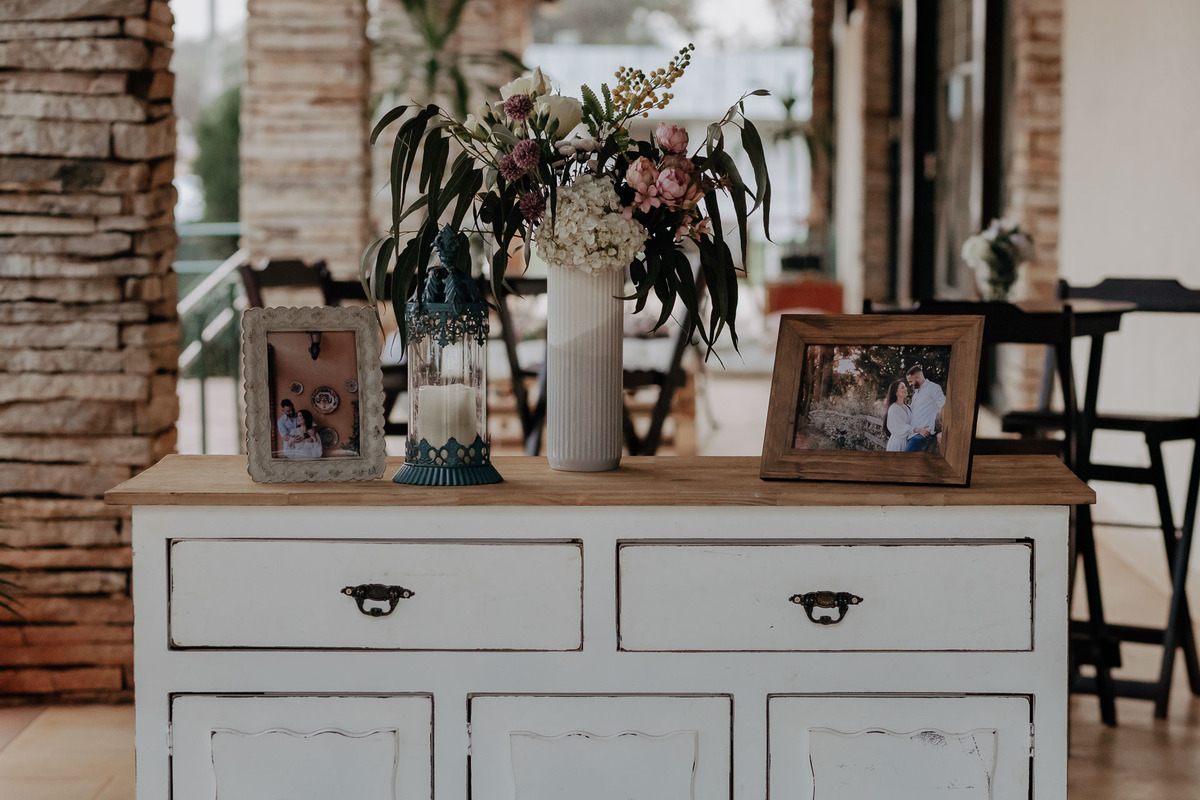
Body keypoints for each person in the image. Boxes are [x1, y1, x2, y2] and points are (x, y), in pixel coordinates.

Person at [903, 364, 946, 452]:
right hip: (913, 434)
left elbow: (944, 406)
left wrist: (944, 431)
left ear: (917, 377)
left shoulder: (933, 387)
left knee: (903, 459)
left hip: (921, 436)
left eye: (911, 381)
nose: (910, 384)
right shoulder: (916, 393)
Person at [883, 378, 913, 452]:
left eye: (905, 386)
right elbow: (900, 428)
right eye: (902, 387)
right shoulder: (893, 408)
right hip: (897, 444)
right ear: (897, 393)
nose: (906, 388)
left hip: (907, 442)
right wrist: (917, 430)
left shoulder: (908, 407)